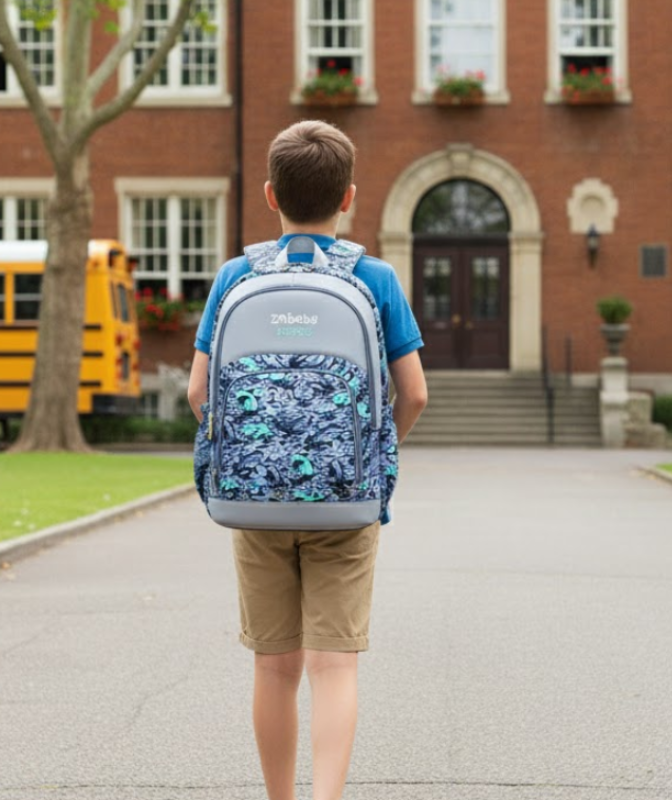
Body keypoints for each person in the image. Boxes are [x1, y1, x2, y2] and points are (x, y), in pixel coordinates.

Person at [187, 120, 427, 800]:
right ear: (348, 197)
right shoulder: (375, 278)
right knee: (334, 667)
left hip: (255, 501)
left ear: (270, 194)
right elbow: (414, 392)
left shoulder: (236, 275)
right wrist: (369, 454)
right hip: (346, 501)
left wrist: (246, 450)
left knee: (274, 668)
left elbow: (199, 390)